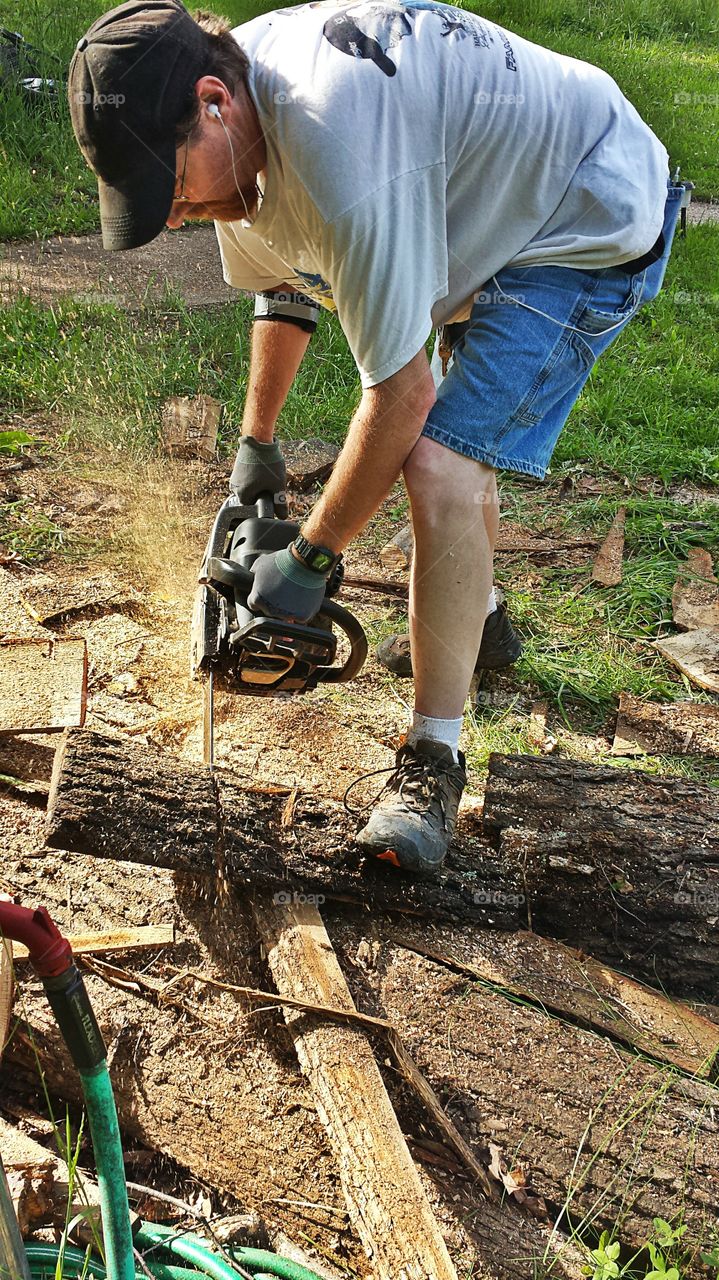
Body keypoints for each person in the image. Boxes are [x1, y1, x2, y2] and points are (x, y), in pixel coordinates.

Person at [68, 0, 682, 874]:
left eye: (168, 186)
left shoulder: (337, 152)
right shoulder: (242, 145)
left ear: (213, 101)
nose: (171, 215)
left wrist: (311, 560)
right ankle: (483, 622)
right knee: (446, 462)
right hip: (480, 193)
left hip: (581, 210)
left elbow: (401, 398)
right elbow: (283, 288)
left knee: (438, 461)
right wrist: (258, 446)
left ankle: (433, 760)